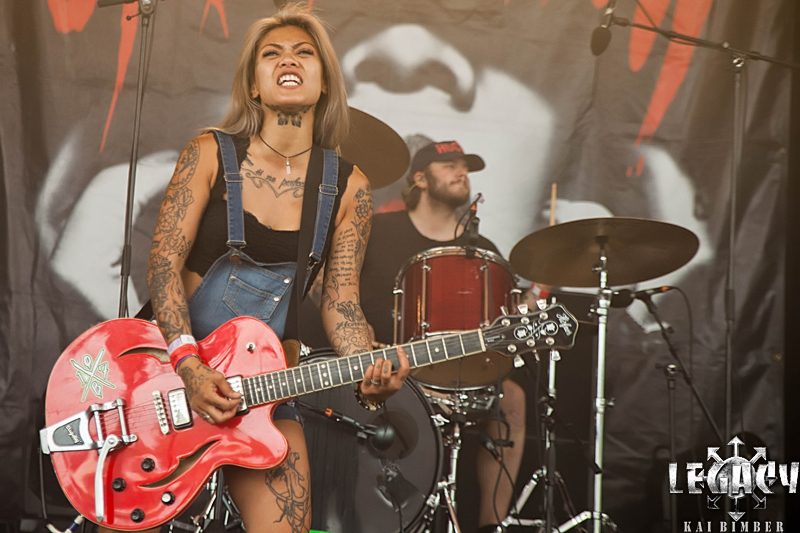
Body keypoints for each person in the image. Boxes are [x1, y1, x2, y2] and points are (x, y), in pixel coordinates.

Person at [132, 4, 411, 533]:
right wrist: (189, 365)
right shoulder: (208, 153)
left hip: (262, 389)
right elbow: (163, 263)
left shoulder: (349, 187)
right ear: (253, 85)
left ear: (324, 83)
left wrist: (366, 372)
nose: (289, 60)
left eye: (305, 53)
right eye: (272, 53)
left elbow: (341, 303)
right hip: (163, 377)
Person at [358, 139, 527, 533]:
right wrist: (357, 330)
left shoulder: (482, 250)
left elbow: (499, 323)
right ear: (419, 178)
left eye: (465, 166)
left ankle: (491, 526)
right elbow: (333, 289)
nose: (461, 172)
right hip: (390, 363)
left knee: (514, 398)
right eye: (449, 165)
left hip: (461, 370)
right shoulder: (378, 230)